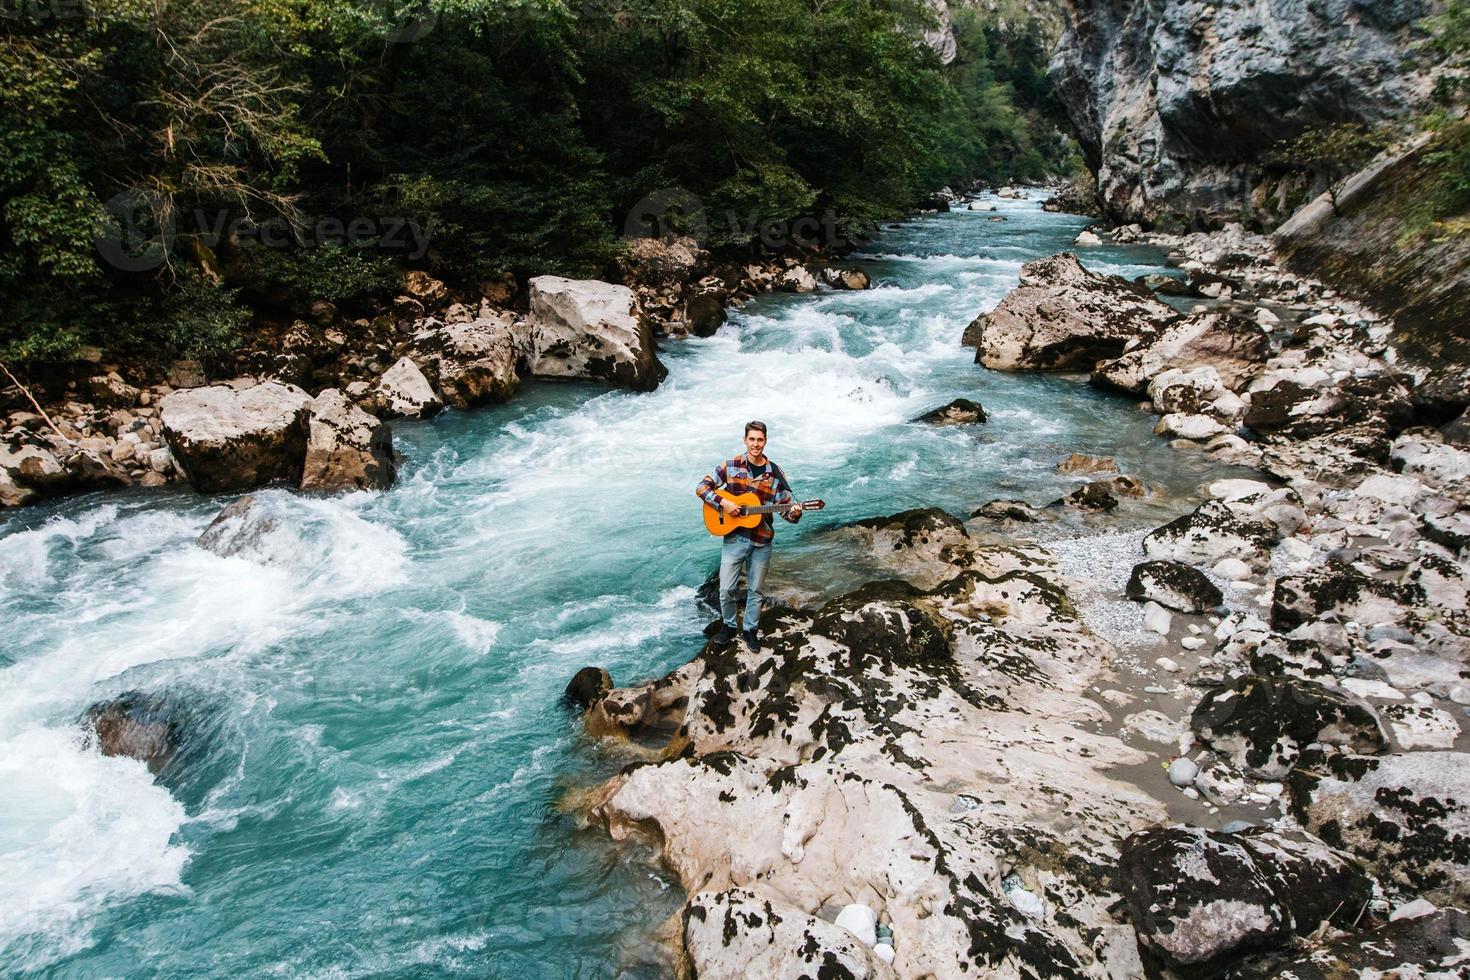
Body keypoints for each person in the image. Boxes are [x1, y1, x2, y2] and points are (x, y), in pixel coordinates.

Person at [694, 421, 803, 650]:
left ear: (765, 441)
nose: (756, 444)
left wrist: (795, 512)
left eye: (760, 440)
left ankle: (750, 630)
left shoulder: (775, 473)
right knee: (726, 589)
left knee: (756, 590)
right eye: (752, 439)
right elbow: (702, 488)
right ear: (745, 440)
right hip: (734, 538)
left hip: (762, 540)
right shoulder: (731, 465)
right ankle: (729, 626)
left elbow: (786, 510)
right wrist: (723, 501)